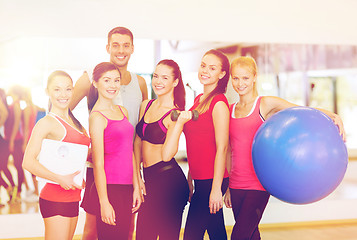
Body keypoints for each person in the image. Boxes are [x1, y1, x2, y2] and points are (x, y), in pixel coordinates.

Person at [224, 56, 346, 240]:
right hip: (236, 185)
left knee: (239, 236)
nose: (240, 83)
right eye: (236, 78)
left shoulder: (264, 104)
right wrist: (226, 187)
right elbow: (228, 150)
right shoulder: (230, 109)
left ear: (255, 77)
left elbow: (300, 110)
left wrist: (332, 115)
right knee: (251, 234)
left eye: (245, 78)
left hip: (259, 184)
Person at [70, 26, 148, 240]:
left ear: (132, 48)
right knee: (92, 228)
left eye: (125, 45)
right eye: (115, 45)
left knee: (126, 227)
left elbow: (140, 127)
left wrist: (138, 173)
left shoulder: (140, 83)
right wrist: (87, 140)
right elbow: (63, 110)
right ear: (108, 47)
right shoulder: (91, 77)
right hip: (102, 167)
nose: (120, 50)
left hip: (127, 166)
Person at [22, 70, 90, 240]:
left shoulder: (75, 122)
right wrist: (60, 179)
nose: (63, 94)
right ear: (48, 92)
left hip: (73, 196)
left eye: (68, 89)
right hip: (54, 196)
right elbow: (28, 162)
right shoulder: (46, 123)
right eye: (57, 89)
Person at [134, 59, 189, 240]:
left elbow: (167, 155)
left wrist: (179, 124)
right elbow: (137, 143)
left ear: (175, 82)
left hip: (169, 183)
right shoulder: (147, 105)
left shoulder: (175, 113)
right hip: (148, 179)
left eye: (164, 78)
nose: (158, 81)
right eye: (156, 76)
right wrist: (137, 178)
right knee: (143, 235)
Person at [180, 49, 230, 240]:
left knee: (192, 235)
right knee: (216, 232)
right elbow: (196, 145)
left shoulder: (218, 103)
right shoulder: (198, 101)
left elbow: (222, 148)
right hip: (201, 180)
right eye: (203, 65)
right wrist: (190, 177)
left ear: (222, 74)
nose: (205, 71)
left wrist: (217, 189)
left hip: (212, 181)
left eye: (212, 68)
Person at [88, 62, 142, 240]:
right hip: (109, 189)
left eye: (116, 80)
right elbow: (98, 163)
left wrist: (136, 187)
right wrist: (103, 201)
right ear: (95, 83)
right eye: (107, 80)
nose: (112, 85)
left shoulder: (122, 111)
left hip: (127, 188)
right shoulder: (97, 117)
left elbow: (130, 153)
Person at [4, 85, 25, 202]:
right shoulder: (12, 104)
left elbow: (17, 124)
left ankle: (19, 193)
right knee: (7, 165)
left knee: (18, 166)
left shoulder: (16, 105)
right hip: (10, 139)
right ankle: (12, 187)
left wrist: (11, 140)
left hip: (15, 140)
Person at [0, 88, 13, 206]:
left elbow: (4, 114)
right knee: (2, 166)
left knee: (2, 166)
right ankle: (10, 188)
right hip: (3, 140)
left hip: (2, 139)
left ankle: (10, 188)